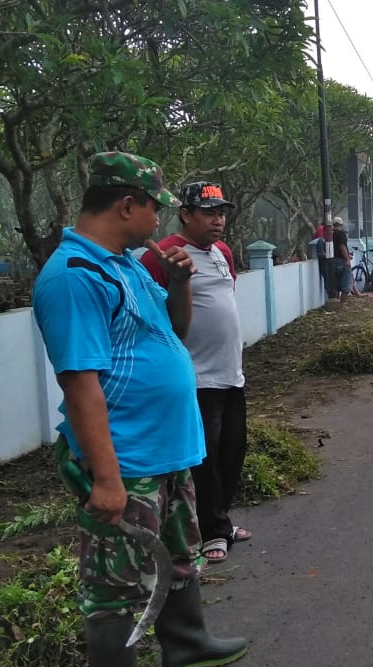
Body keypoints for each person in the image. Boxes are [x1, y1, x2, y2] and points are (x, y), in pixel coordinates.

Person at [31, 152, 246, 667]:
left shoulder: (125, 262)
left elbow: (173, 333)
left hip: (167, 448)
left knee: (179, 552)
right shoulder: (75, 277)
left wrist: (177, 283)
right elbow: (81, 385)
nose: (160, 221)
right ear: (127, 205)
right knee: (116, 581)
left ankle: (186, 643)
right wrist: (105, 479)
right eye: (155, 208)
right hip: (125, 458)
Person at [141, 181, 251, 565]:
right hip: (195, 378)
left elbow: (225, 299)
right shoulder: (163, 257)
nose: (218, 220)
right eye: (209, 213)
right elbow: (152, 316)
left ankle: (220, 520)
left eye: (221, 212)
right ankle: (210, 532)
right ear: (186, 214)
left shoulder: (222, 252)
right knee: (204, 461)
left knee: (232, 453)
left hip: (230, 373)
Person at [331, 216, 353, 302]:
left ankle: (335, 304)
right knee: (346, 286)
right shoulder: (341, 234)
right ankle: (341, 305)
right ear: (341, 224)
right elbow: (342, 246)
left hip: (333, 261)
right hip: (342, 261)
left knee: (335, 286)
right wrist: (347, 259)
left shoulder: (330, 234)